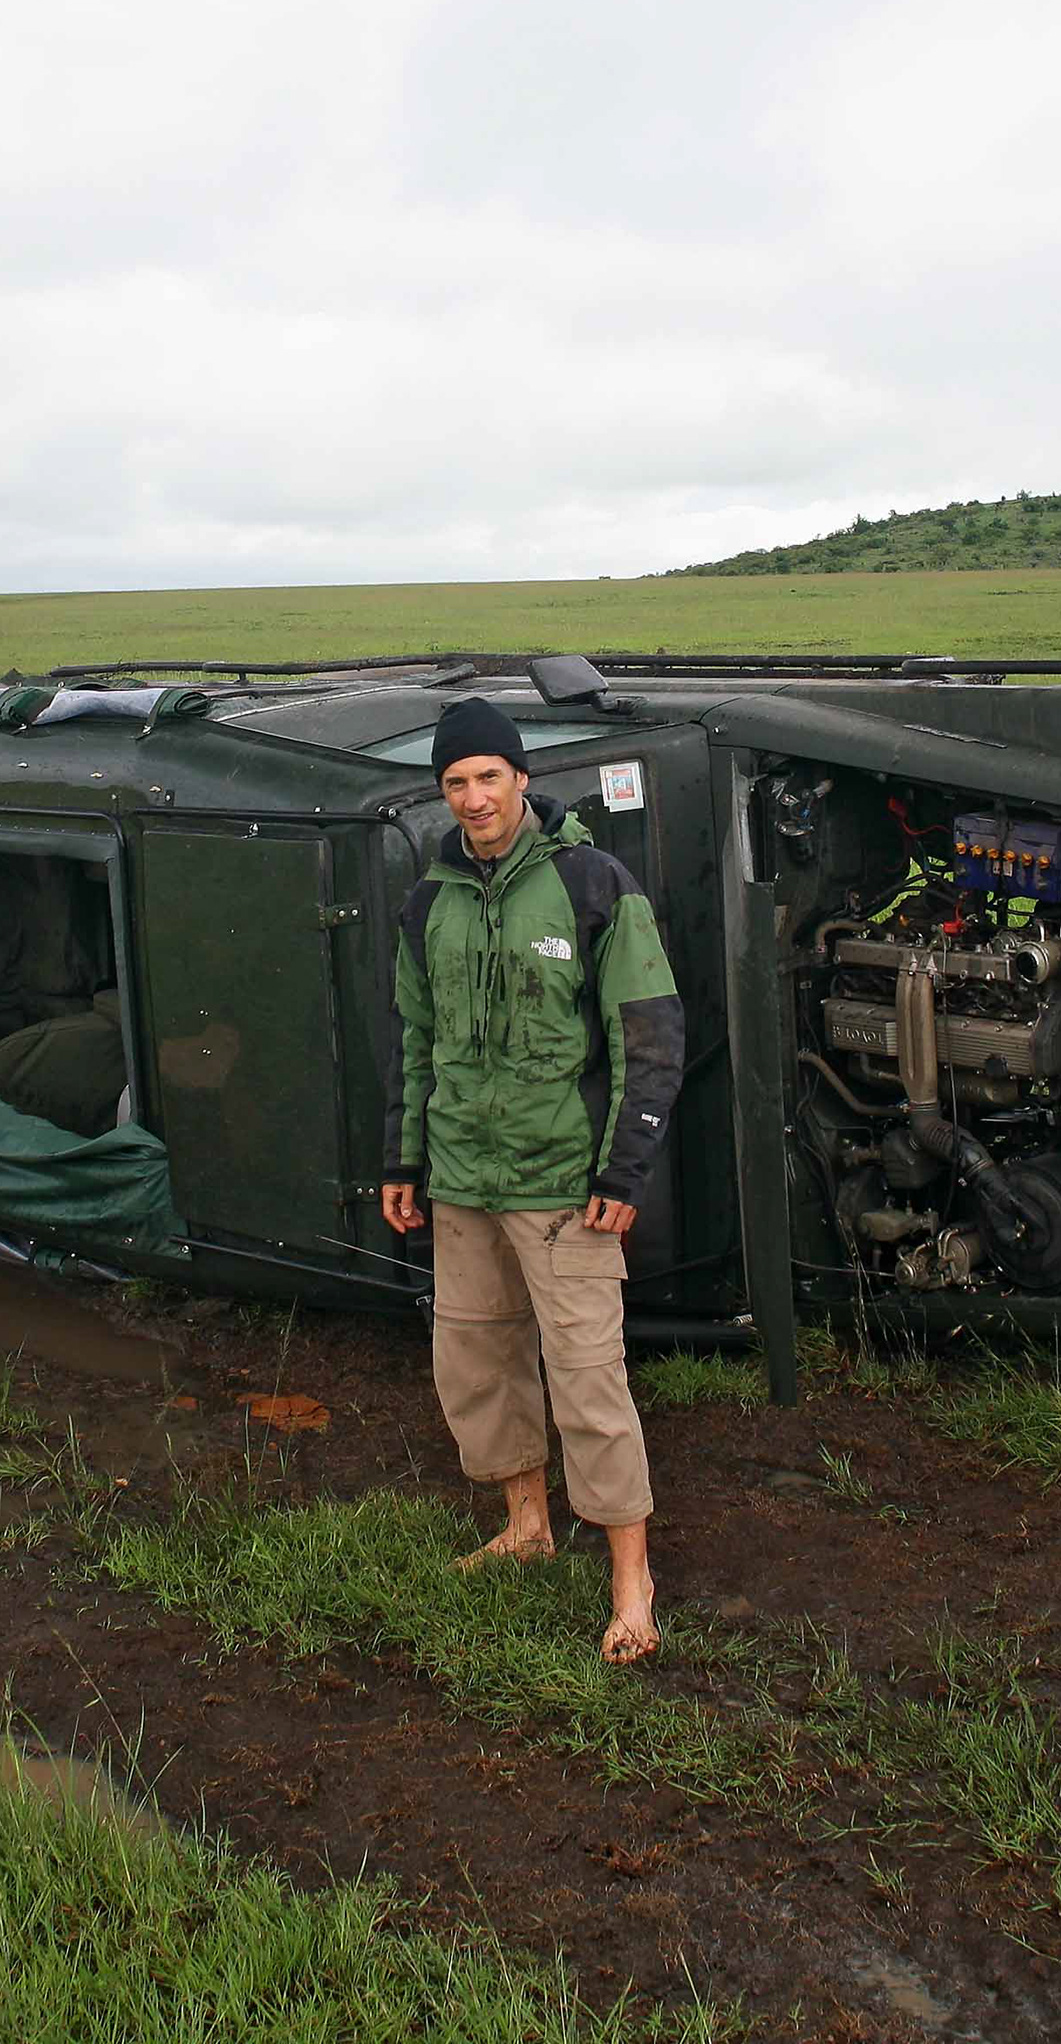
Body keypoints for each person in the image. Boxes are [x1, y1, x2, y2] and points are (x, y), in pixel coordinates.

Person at [376, 696, 686, 1663]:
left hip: (564, 1181)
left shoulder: (594, 883)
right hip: (463, 1177)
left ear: (522, 780)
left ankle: (631, 1581)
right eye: (455, 783)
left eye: (488, 777)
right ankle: (526, 1523)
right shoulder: (430, 900)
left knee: (590, 1380)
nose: (473, 798)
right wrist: (406, 1158)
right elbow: (416, 1039)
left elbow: (652, 1035)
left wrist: (624, 1169)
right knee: (479, 1362)